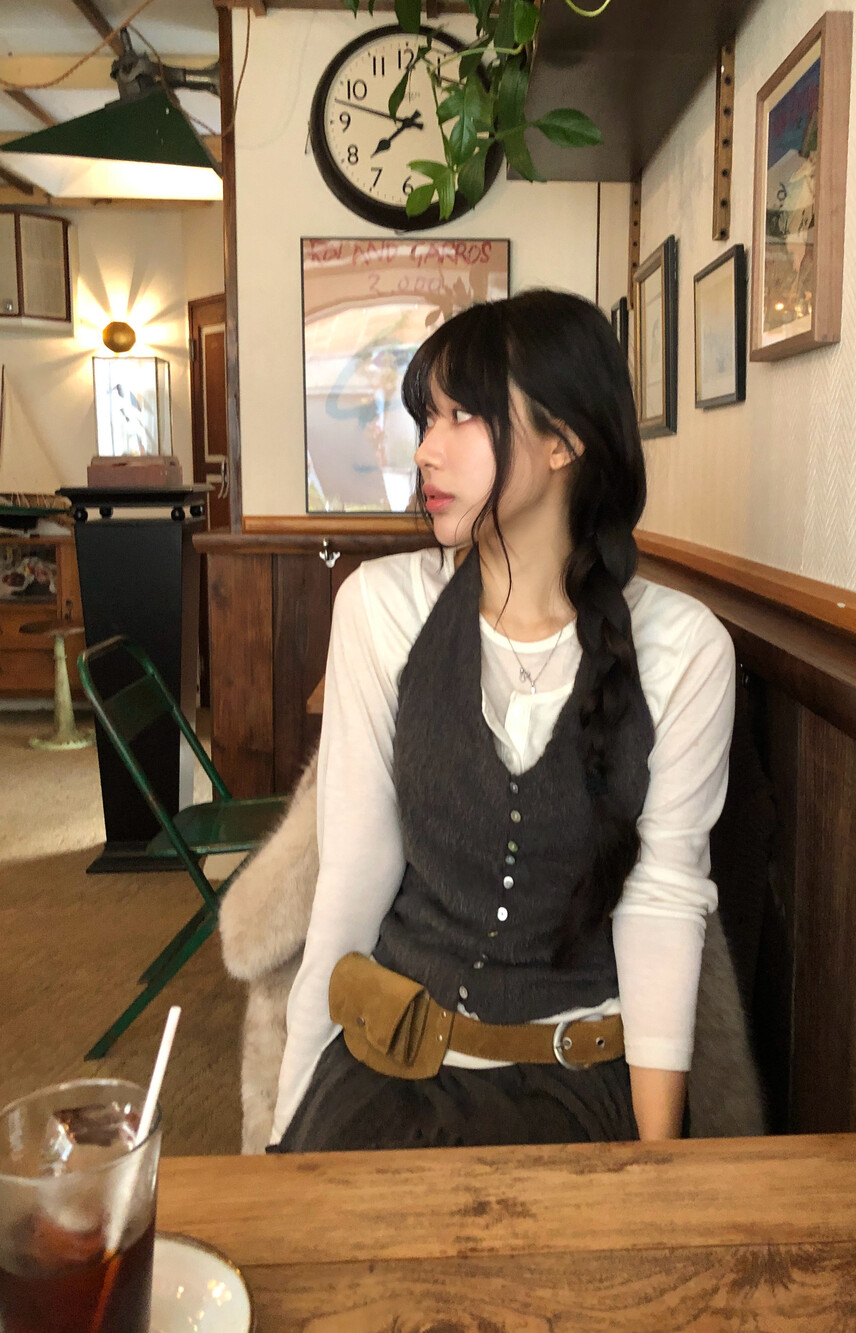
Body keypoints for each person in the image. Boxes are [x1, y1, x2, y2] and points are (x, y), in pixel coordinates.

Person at [271, 289, 735, 1151]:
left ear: (564, 440)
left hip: (577, 1085)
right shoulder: (379, 607)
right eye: (426, 418)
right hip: (387, 1070)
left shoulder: (685, 648)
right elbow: (353, 874)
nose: (426, 448)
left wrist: (659, 1164)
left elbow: (663, 902)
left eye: (464, 416)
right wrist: (287, 1123)